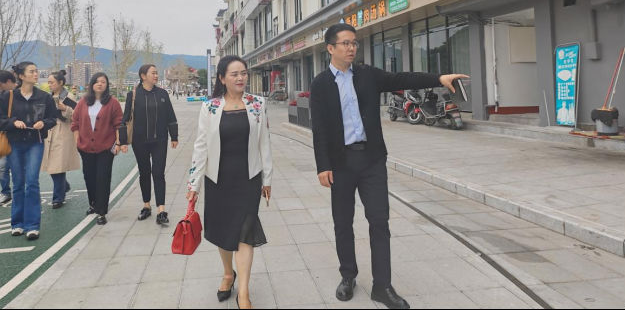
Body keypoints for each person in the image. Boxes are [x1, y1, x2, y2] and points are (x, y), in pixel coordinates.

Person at [310, 24, 469, 309]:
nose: (351, 48)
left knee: (379, 222)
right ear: (330, 48)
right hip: (341, 164)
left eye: (354, 43)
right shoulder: (320, 84)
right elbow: (319, 127)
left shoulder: (367, 75)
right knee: (343, 223)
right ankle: (348, 276)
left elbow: (402, 78)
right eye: (345, 43)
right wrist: (323, 165)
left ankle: (382, 286)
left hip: (371, 160)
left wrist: (438, 78)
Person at [187, 55, 272, 310]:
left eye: (243, 73)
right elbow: (201, 146)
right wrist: (193, 185)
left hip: (248, 179)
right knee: (224, 231)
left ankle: (243, 293)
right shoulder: (210, 107)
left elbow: (264, 142)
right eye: (234, 74)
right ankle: (228, 273)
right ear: (222, 78)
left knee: (245, 232)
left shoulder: (257, 104)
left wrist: (267, 178)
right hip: (218, 179)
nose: (240, 78)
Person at [0, 62, 58, 241]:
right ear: (21, 76)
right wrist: (13, 122)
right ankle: (17, 223)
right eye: (32, 71)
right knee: (18, 183)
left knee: (32, 182)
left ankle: (32, 226)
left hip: (35, 143)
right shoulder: (7, 96)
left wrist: (44, 123)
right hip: (14, 143)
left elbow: (53, 118)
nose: (36, 74)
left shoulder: (44, 97)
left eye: (36, 71)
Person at [119, 64, 178, 224]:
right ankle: (146, 206)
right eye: (153, 73)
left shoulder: (162, 94)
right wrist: (122, 141)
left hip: (160, 140)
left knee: (158, 173)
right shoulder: (133, 95)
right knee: (144, 173)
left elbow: (170, 116)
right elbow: (125, 119)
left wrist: (174, 136)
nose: (156, 75)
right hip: (139, 142)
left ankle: (161, 210)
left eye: (157, 73)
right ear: (143, 76)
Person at [71, 73, 124, 226]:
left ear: (107, 85)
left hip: (106, 148)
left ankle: (102, 211)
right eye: (97, 81)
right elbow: (75, 123)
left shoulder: (113, 103)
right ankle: (93, 204)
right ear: (92, 84)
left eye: (103, 82)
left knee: (103, 178)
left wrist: (118, 143)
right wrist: (77, 142)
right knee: (89, 177)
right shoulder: (83, 102)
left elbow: (119, 124)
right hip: (86, 148)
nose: (100, 84)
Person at [42, 70, 80, 209]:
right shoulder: (48, 97)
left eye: (52, 82)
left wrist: (65, 109)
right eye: (49, 82)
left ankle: (58, 198)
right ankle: (64, 186)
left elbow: (77, 115)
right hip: (49, 134)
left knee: (57, 167)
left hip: (63, 135)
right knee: (52, 167)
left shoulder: (69, 97)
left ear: (60, 83)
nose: (49, 84)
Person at [0, 70, 17, 207]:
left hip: (20, 138)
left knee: (19, 168)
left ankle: (18, 193)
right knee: (2, 167)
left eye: (0, 84)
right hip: (4, 136)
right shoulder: (2, 97)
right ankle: (5, 193)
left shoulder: (21, 94)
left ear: (8, 81)